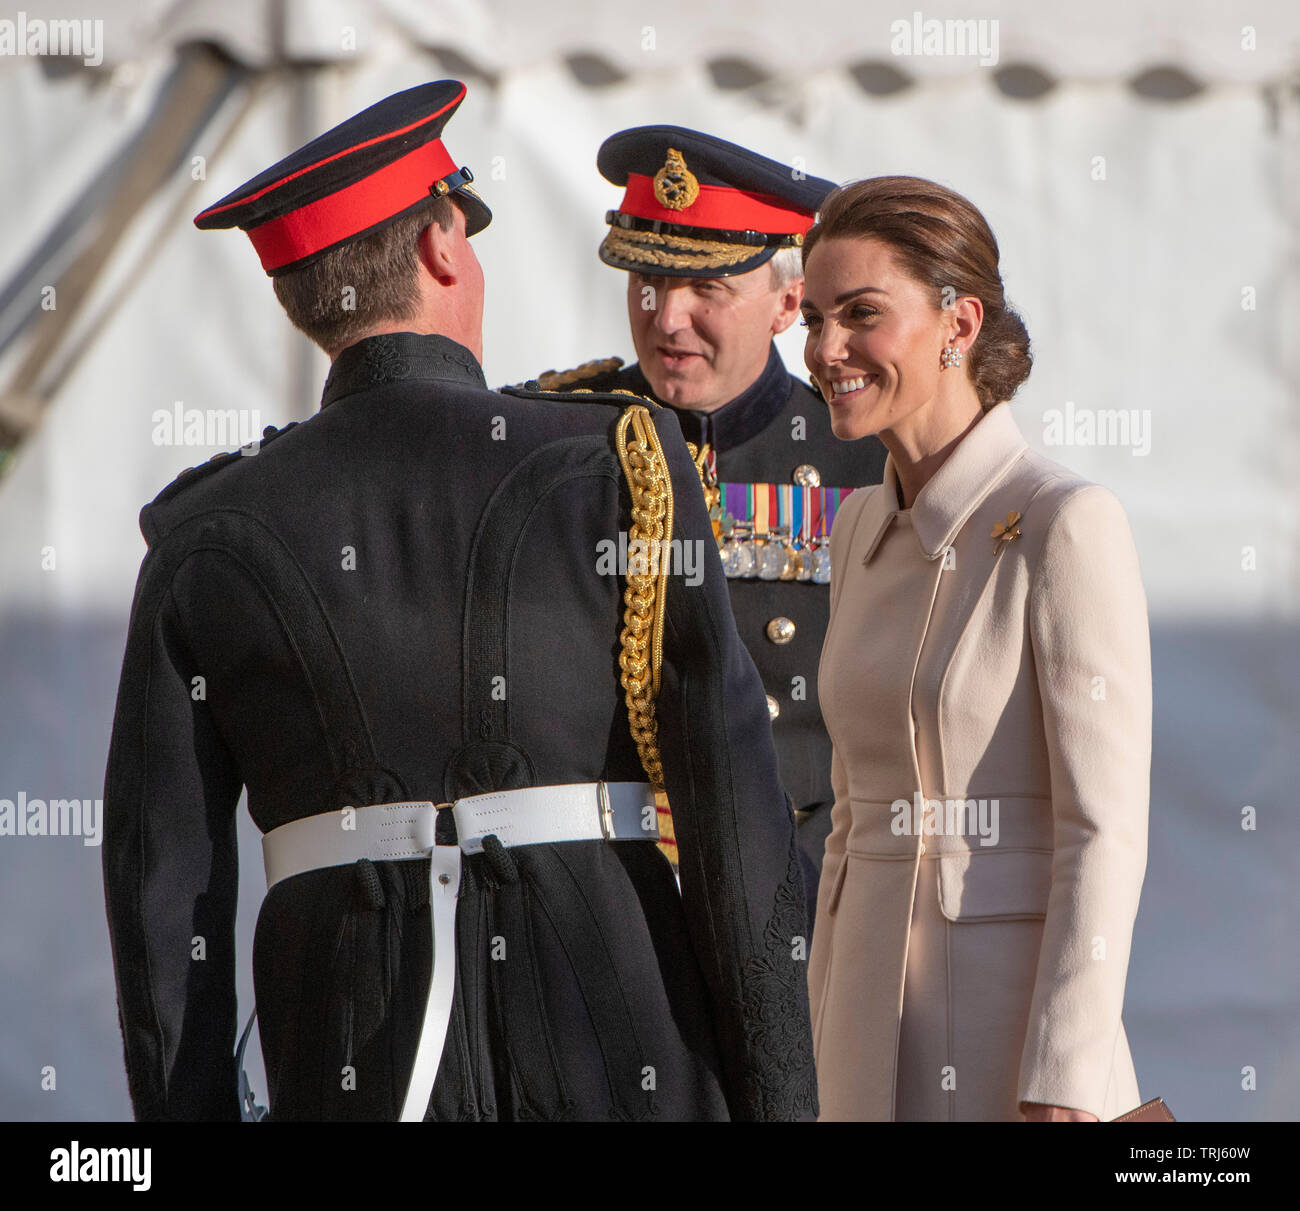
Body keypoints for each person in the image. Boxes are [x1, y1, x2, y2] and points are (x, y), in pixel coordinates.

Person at [100, 81, 816, 1122]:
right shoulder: (617, 463)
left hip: (345, 1042)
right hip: (616, 1041)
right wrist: (783, 1101)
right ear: (443, 248)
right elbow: (733, 816)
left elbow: (162, 894)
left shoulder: (201, 533)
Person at [800, 177, 1151, 1122]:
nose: (827, 350)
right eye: (815, 318)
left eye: (861, 315)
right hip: (857, 1035)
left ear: (960, 323)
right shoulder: (855, 526)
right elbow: (847, 815)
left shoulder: (1064, 521)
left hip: (1012, 1042)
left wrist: (1065, 1077)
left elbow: (1103, 830)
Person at [527, 127, 886, 913]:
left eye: (707, 290)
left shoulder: (864, 458)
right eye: (647, 284)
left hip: (804, 886)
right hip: (604, 894)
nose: (669, 319)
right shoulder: (556, 439)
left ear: (789, 301)